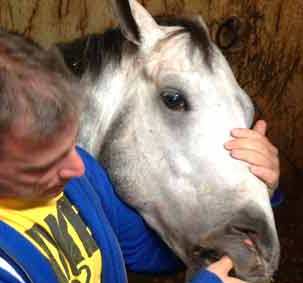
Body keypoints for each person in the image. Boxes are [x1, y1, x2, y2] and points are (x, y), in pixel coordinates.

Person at [0, 30, 279, 283]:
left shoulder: (81, 176)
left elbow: (145, 251)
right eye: (46, 163)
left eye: (71, 144)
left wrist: (255, 187)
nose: (77, 166)